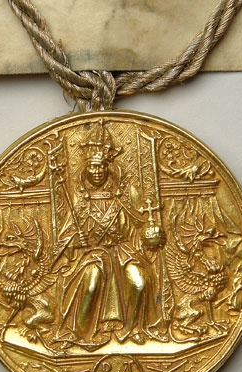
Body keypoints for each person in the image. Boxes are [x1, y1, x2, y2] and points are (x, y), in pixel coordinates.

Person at [54, 124, 163, 348]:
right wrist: (76, 242)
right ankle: (80, 334)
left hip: (123, 251)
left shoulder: (123, 195)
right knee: (92, 281)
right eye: (92, 167)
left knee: (140, 282)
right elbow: (64, 239)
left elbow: (139, 225)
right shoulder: (80, 201)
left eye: (101, 167)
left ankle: (132, 330)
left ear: (108, 168)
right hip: (92, 254)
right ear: (86, 169)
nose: (97, 172)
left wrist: (152, 235)